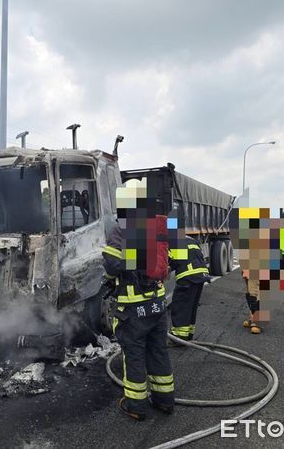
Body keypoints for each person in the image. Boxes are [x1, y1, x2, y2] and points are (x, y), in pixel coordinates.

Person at [102, 179, 174, 421]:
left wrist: (122, 269)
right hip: (157, 304)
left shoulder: (123, 228)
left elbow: (111, 266)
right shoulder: (158, 227)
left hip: (134, 308)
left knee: (133, 355)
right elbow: (167, 264)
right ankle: (164, 401)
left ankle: (136, 406)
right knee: (158, 351)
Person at [168, 236, 212, 343]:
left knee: (180, 306)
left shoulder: (169, 242)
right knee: (191, 307)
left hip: (188, 276)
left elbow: (169, 263)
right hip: (201, 275)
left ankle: (179, 337)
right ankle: (188, 334)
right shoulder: (190, 239)